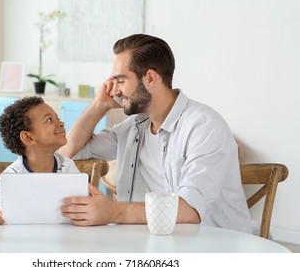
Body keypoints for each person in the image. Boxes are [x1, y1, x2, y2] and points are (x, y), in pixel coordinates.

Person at [60, 34, 252, 233]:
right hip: (155, 245)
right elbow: (70, 150)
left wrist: (112, 211)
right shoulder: (134, 126)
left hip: (215, 249)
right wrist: (98, 105)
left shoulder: (204, 126)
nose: (115, 91)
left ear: (150, 78)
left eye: (121, 81)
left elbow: (190, 209)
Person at [0, 96, 79, 225]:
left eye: (57, 118)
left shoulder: (67, 166)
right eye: (49, 120)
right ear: (28, 137)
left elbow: (82, 205)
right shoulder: (11, 176)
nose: (61, 123)